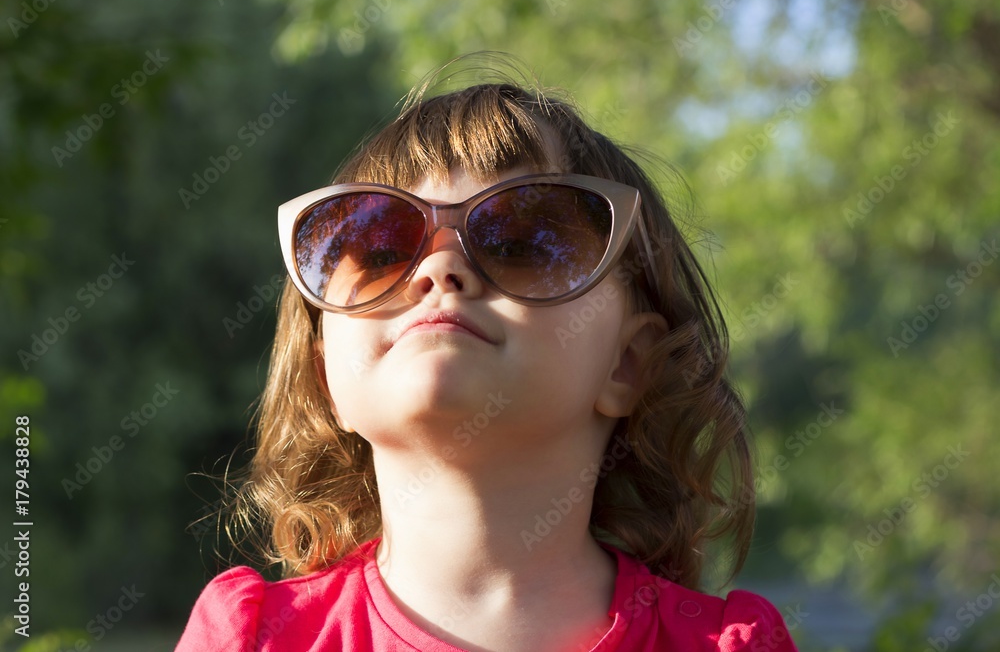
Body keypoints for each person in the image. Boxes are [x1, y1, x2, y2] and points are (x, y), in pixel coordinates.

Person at [176, 62, 800, 651]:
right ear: (327, 378)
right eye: (382, 248)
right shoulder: (253, 638)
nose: (440, 269)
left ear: (628, 364)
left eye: (521, 240)